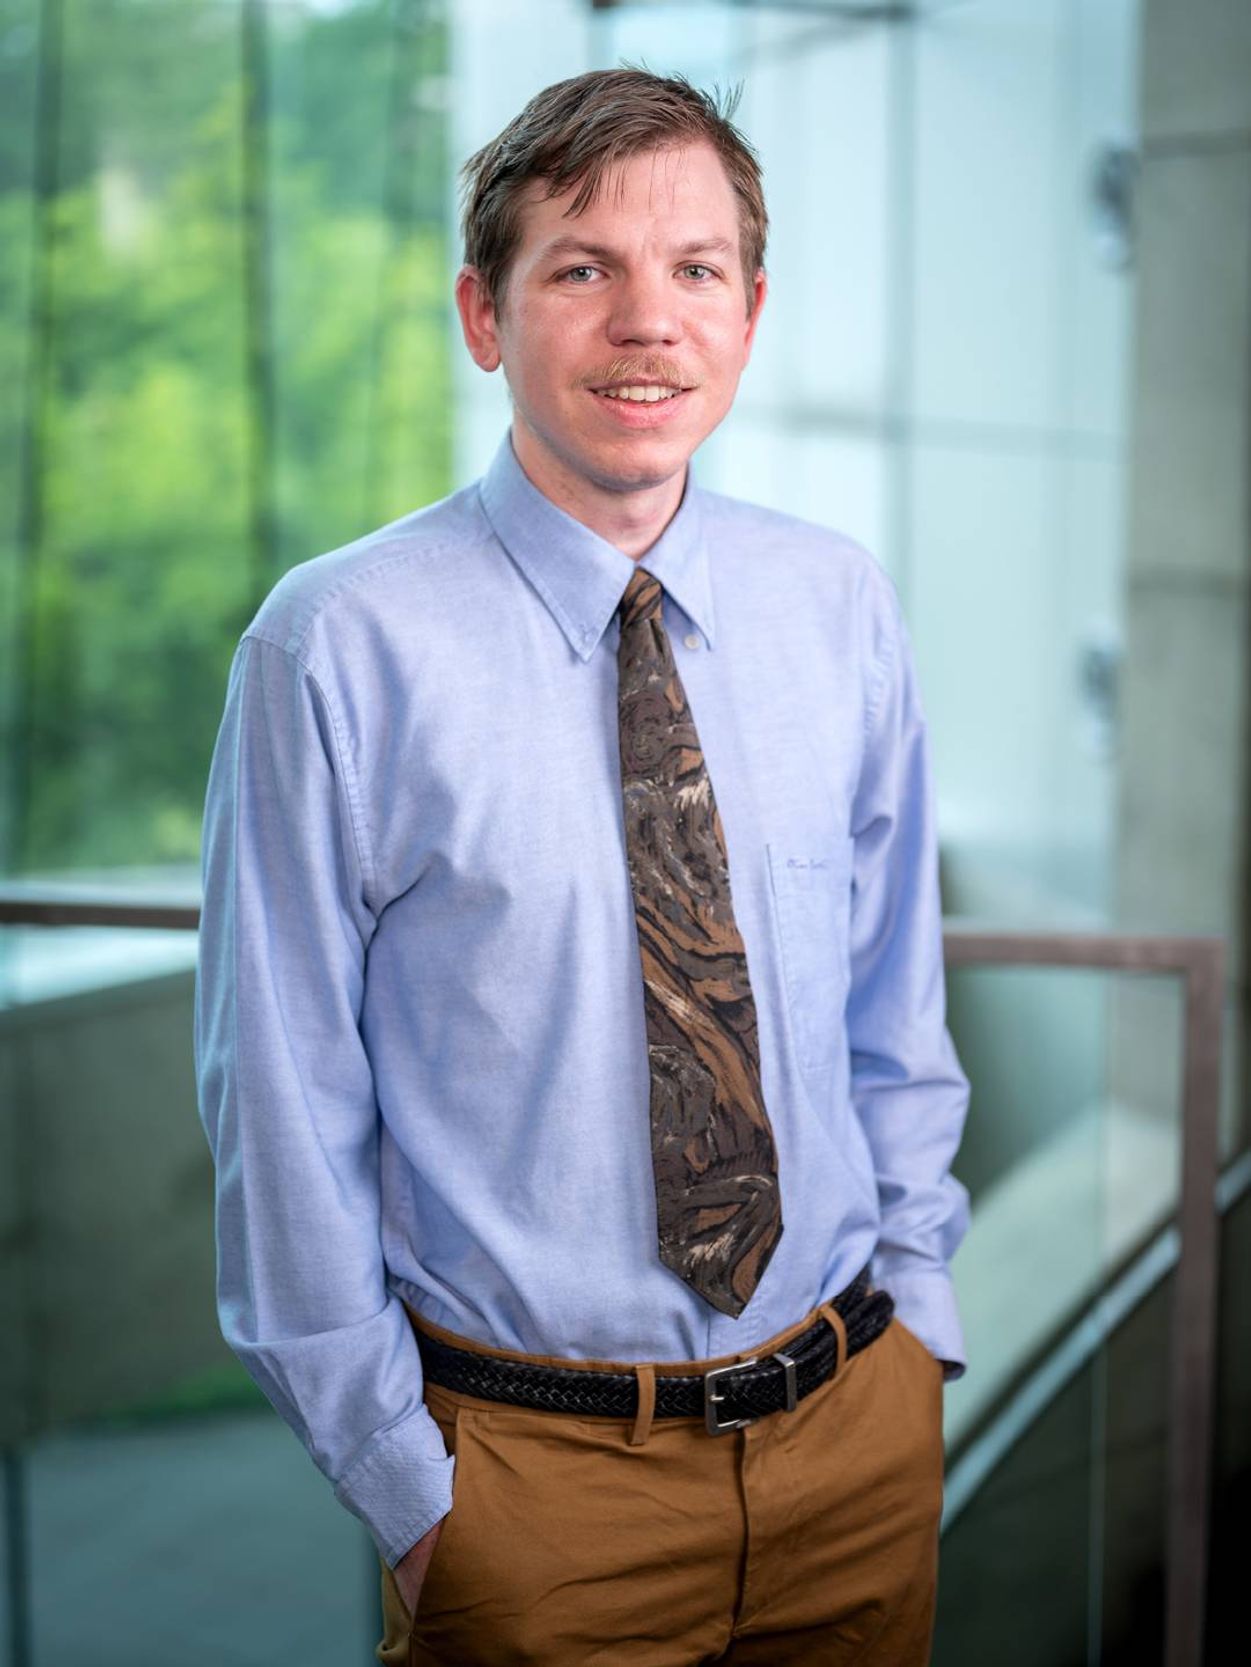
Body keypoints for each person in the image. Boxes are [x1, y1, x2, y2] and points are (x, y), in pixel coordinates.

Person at [194, 65, 971, 1666]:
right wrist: (408, 1489)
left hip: (855, 1447)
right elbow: (280, 1104)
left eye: (693, 270)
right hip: (530, 1495)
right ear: (486, 315)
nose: (647, 321)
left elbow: (896, 1005)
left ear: (751, 311)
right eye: (581, 268)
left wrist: (923, 1324)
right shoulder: (336, 647)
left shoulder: (838, 609)